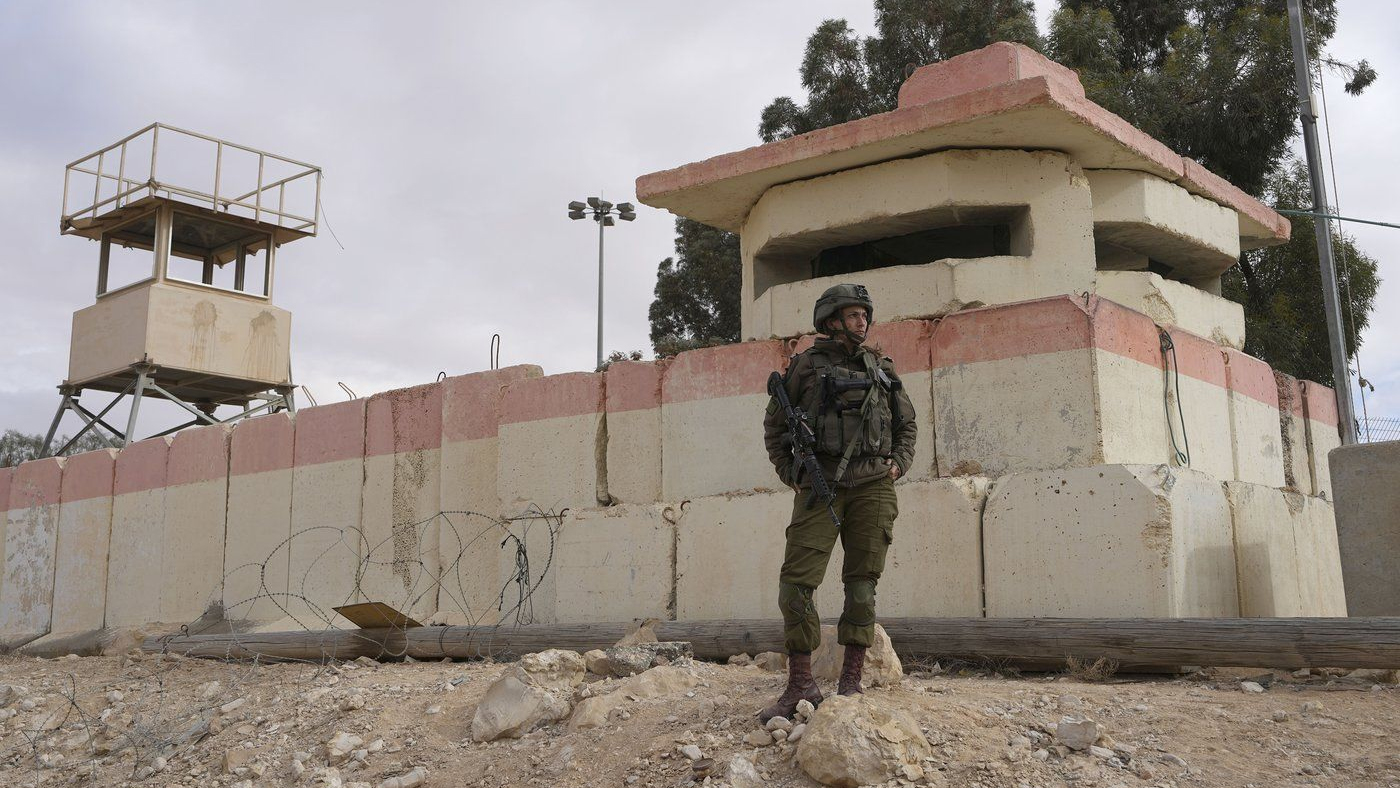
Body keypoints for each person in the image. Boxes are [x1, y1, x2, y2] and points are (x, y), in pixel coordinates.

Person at [759, 283, 917, 722]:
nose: (861, 321)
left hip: (873, 487)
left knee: (862, 584)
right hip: (820, 486)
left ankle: (851, 681)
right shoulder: (806, 367)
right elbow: (776, 428)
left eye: (864, 314)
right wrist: (793, 473)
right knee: (796, 585)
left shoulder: (881, 367)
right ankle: (800, 683)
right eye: (852, 315)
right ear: (830, 320)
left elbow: (907, 424)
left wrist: (898, 465)